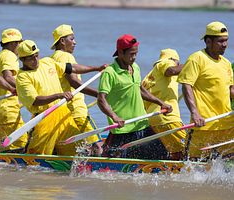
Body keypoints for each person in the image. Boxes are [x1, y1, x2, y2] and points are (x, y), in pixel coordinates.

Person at [16, 40, 105, 155]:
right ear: (22, 60)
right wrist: (59, 95)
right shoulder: (22, 77)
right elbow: (35, 101)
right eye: (31, 58)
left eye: (36, 56)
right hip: (44, 118)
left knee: (78, 150)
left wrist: (96, 68)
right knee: (35, 155)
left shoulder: (47, 62)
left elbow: (72, 68)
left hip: (64, 114)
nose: (35, 60)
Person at [98, 34, 172, 159]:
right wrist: (114, 116)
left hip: (142, 125)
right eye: (131, 54)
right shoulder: (109, 73)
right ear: (120, 52)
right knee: (111, 167)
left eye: (136, 53)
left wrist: (160, 103)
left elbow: (140, 90)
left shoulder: (135, 68)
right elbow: (101, 100)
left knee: (163, 158)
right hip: (122, 129)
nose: (134, 57)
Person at [177, 21, 234, 160]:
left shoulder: (226, 63)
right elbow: (186, 85)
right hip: (203, 124)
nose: (225, 44)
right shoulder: (197, 59)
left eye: (226, 40)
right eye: (220, 41)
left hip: (226, 123)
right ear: (208, 41)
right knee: (193, 165)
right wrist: (195, 113)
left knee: (228, 162)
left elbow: (231, 92)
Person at [50, 24, 103, 156]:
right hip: (77, 110)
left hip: (64, 111)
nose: (75, 42)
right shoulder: (66, 56)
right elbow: (74, 82)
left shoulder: (53, 58)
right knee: (97, 144)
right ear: (62, 41)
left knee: (80, 145)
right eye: (72, 39)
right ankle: (100, 170)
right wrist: (99, 95)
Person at [142, 49, 186, 160]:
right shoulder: (165, 63)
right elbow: (171, 70)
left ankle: (172, 173)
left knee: (177, 153)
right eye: (178, 63)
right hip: (168, 118)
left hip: (154, 120)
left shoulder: (149, 77)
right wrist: (194, 64)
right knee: (190, 150)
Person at [0, 28, 27, 152]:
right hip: (7, 108)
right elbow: (8, 76)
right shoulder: (10, 56)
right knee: (21, 142)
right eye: (20, 43)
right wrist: (28, 91)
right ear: (13, 43)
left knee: (4, 146)